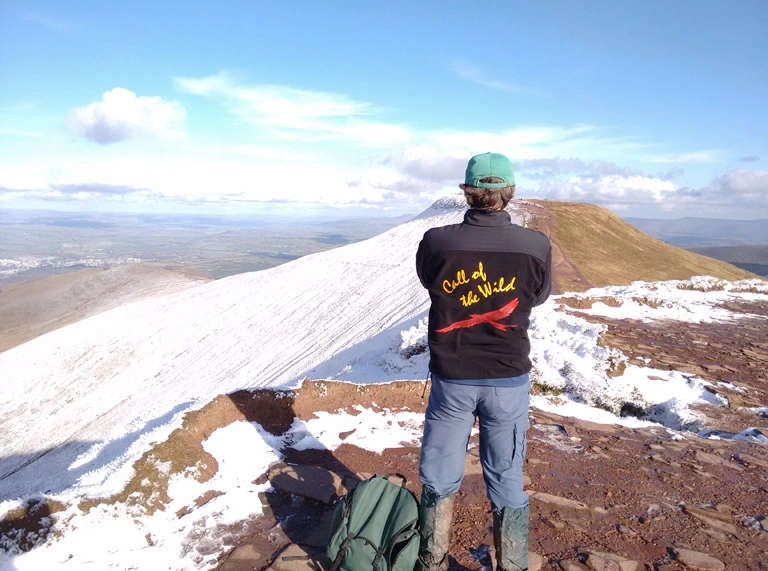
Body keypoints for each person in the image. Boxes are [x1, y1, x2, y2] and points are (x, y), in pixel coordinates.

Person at [414, 152, 552, 571]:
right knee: (506, 473)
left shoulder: (438, 242)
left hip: (452, 378)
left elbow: (429, 281)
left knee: (438, 472)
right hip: (508, 379)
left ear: (468, 192)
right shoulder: (535, 246)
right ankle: (512, 564)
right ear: (508, 192)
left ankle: (432, 561)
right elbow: (539, 296)